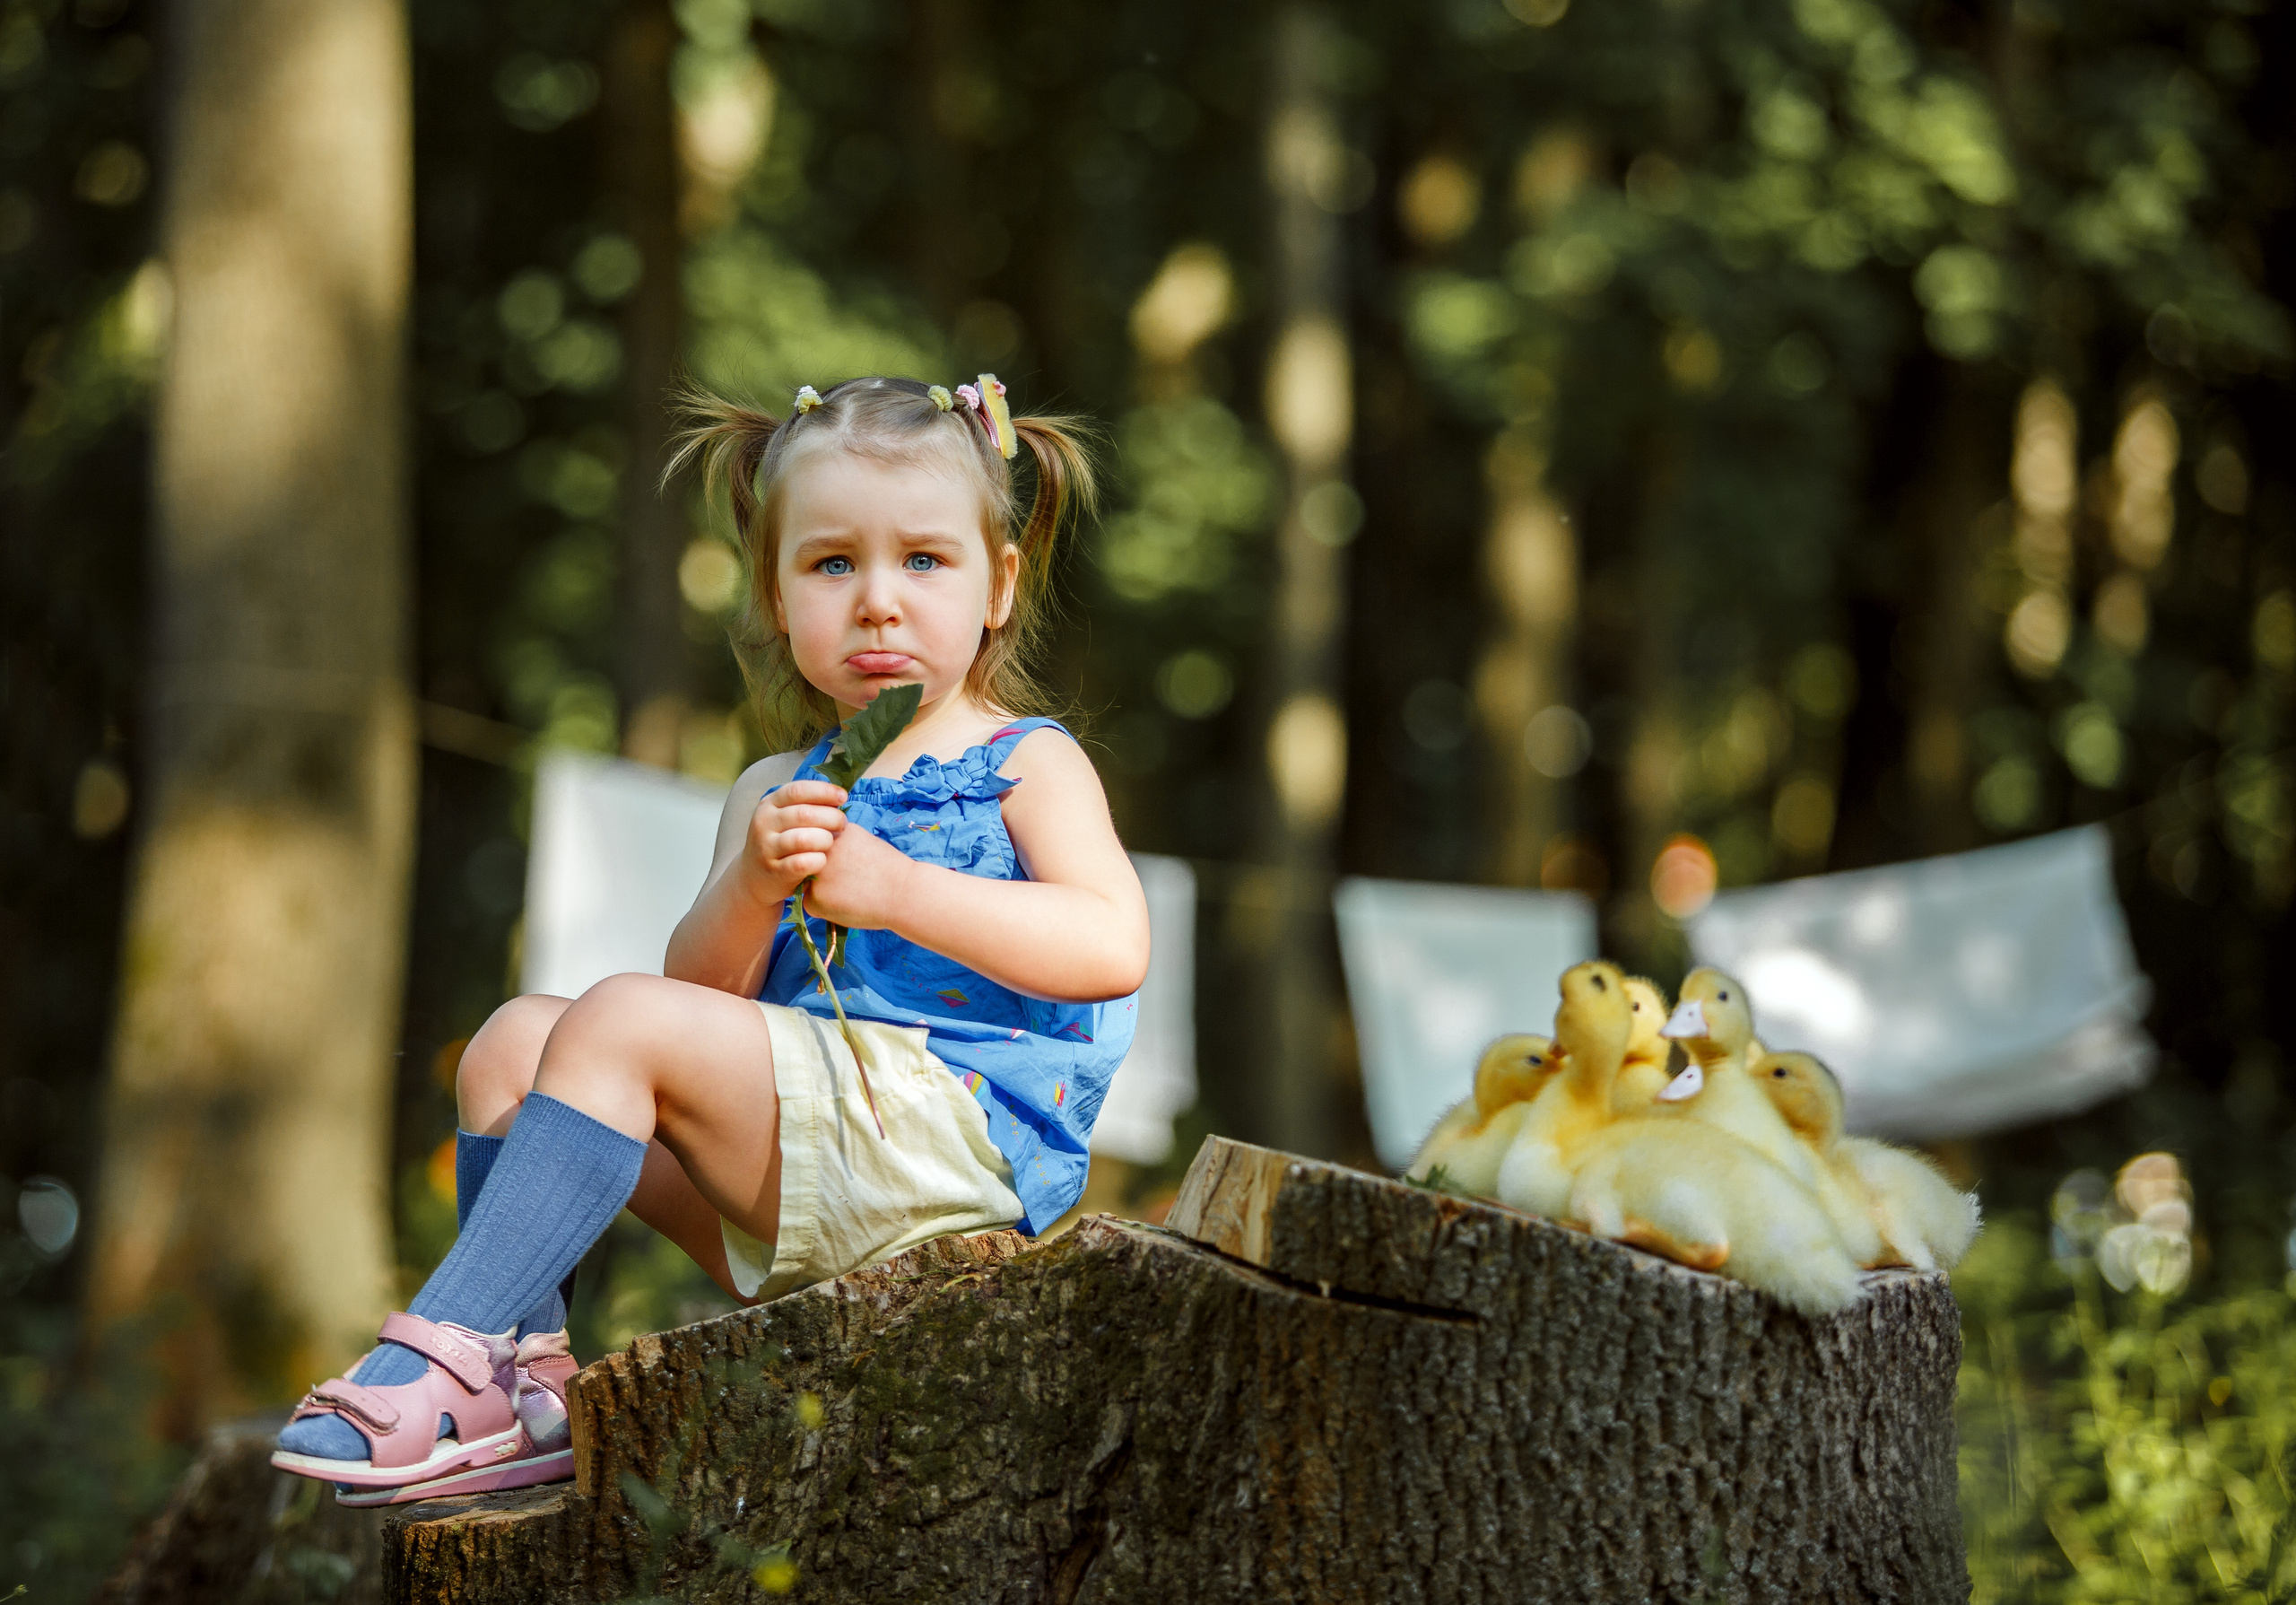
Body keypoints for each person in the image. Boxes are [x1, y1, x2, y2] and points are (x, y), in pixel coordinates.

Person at [272, 375, 1149, 1504]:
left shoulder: (1026, 761)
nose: (878, 604)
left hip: (954, 1151)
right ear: (777, 596)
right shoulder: (774, 789)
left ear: (1000, 585)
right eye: (832, 565)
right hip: (802, 1168)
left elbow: (1110, 943)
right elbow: (702, 997)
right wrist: (751, 884)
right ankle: (518, 1384)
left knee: (615, 1018)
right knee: (515, 1041)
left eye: (925, 561)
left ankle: (444, 1349)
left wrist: (898, 891)